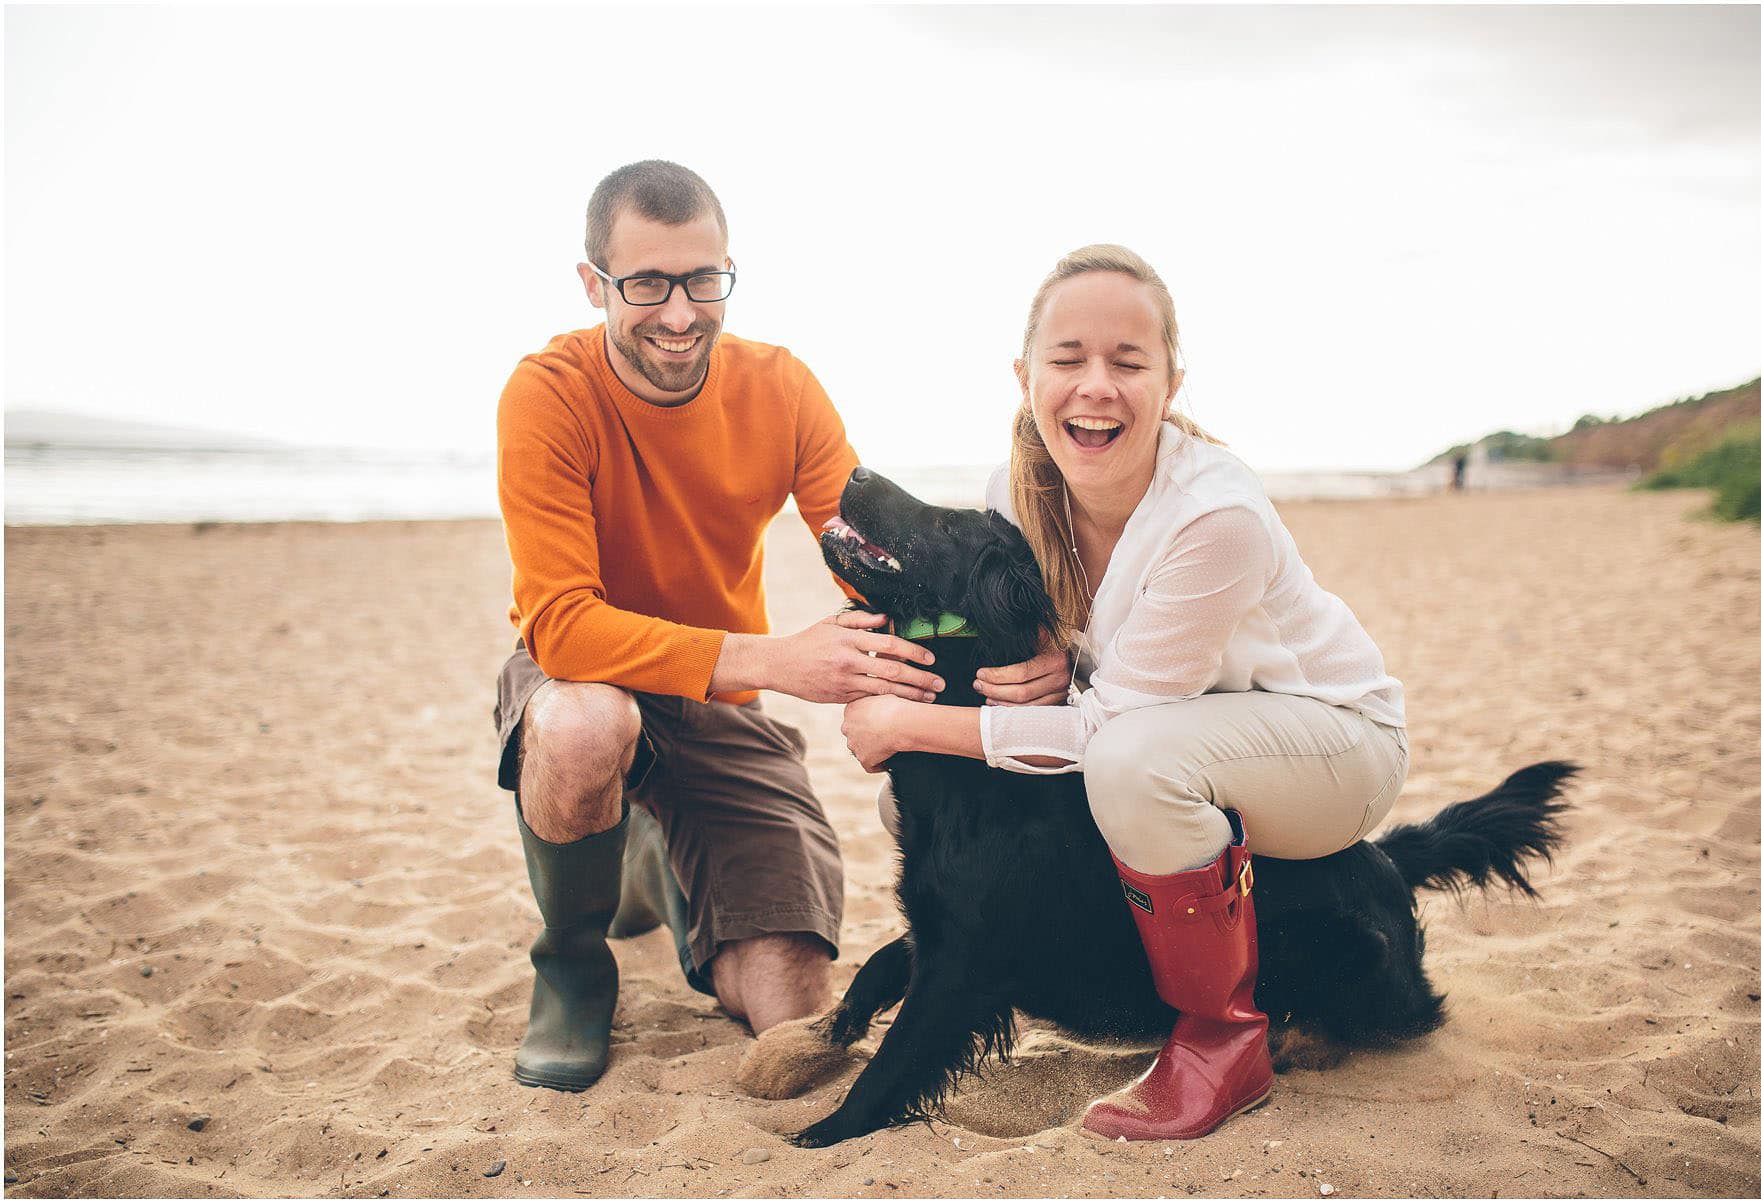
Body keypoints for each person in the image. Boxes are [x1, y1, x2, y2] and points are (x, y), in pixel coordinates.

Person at [840, 244, 1408, 1141]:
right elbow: (1080, 672)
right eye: (1067, 360)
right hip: (1190, 738)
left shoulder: (1214, 515)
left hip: (1335, 747)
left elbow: (1111, 730)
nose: (1095, 386)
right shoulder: (1015, 494)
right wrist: (1051, 668)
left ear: (1171, 381)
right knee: (916, 801)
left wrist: (909, 722)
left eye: (1127, 362)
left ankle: (1222, 1040)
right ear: (1024, 375)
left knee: (1132, 764)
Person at [492, 160, 1037, 1093]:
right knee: (590, 729)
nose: (678, 311)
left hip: (721, 707)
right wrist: (782, 660)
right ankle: (573, 964)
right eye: (647, 283)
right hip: (588, 680)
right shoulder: (548, 392)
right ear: (595, 285)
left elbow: (868, 550)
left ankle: (655, 868)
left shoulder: (779, 387)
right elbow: (563, 626)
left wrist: (1025, 638)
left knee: (789, 1003)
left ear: (727, 269)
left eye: (703, 279)